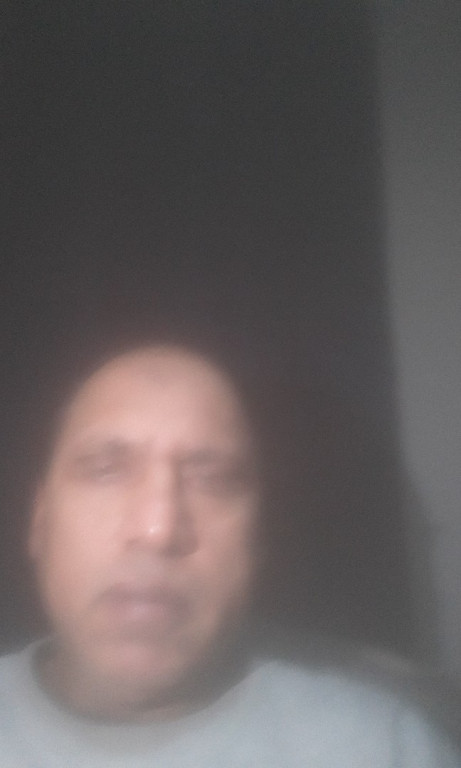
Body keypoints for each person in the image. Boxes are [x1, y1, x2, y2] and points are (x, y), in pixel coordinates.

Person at [0, 341, 459, 767]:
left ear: (257, 539)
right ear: (40, 521)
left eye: (213, 481)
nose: (158, 529)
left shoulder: (385, 748)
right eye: (105, 470)